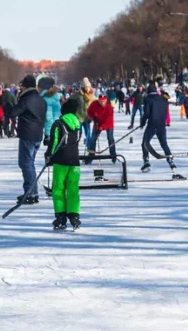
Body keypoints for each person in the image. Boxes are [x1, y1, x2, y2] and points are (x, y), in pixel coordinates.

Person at [10, 74, 47, 205]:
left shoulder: (26, 99)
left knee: (26, 164)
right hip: (37, 134)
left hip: (28, 134)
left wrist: (13, 102)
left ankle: (30, 193)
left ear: (25, 86)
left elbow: (13, 112)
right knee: (29, 164)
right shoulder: (41, 99)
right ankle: (32, 191)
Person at [45, 99, 82, 231]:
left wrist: (49, 155)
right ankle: (74, 215)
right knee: (73, 189)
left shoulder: (58, 124)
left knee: (58, 189)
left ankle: (61, 216)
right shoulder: (78, 125)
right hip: (75, 161)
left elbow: (54, 142)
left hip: (61, 161)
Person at [140, 83, 176, 173]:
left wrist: (143, 122)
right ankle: (170, 160)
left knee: (145, 142)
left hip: (152, 124)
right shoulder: (163, 99)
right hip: (161, 124)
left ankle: (146, 161)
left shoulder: (148, 99)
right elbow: (165, 111)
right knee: (164, 143)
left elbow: (147, 113)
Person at [87, 92, 116, 162]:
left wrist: (102, 127)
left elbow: (108, 121)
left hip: (108, 124)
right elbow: (89, 112)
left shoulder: (109, 108)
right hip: (97, 123)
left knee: (110, 138)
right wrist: (93, 118)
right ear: (98, 100)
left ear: (106, 100)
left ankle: (113, 155)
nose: (102, 103)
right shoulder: (94, 104)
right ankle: (91, 155)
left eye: (103, 101)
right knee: (93, 139)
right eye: (100, 101)